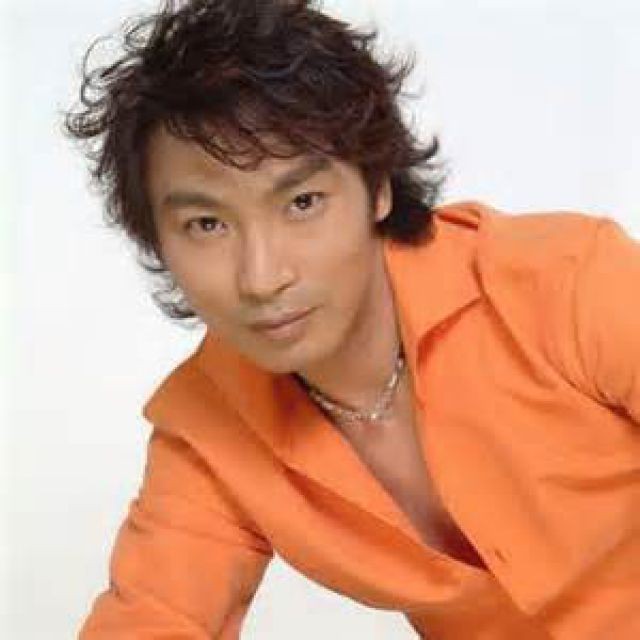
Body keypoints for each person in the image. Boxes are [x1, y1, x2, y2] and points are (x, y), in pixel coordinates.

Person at [65, 0, 640, 637]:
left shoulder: (567, 282)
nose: (262, 277)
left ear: (379, 185)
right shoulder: (210, 430)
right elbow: (150, 618)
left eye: (302, 202)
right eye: (207, 224)